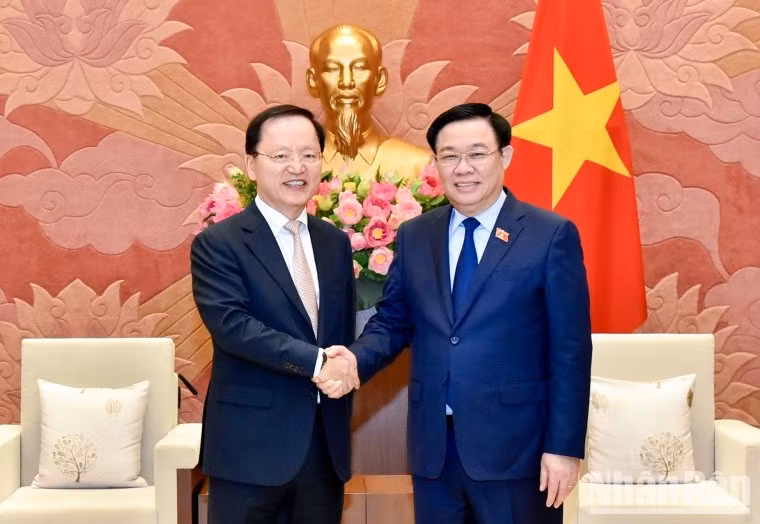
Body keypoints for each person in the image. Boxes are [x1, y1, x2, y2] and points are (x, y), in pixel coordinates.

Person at [317, 103, 592, 523]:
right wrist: (354, 359)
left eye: (477, 154)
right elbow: (393, 321)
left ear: (505, 156)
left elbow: (571, 351)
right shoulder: (416, 235)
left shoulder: (549, 235)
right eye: (449, 156)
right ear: (435, 164)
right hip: (434, 450)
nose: (463, 168)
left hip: (517, 450)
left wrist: (564, 448)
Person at [191, 104, 359, 524]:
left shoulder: (335, 243)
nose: (296, 167)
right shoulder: (219, 243)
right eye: (281, 155)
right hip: (249, 449)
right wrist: (319, 362)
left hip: (323, 447)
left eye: (308, 155)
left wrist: (347, 365)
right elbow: (233, 327)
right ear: (252, 165)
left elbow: (340, 331)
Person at [307, 24, 431, 180]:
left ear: (380, 80)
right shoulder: (295, 168)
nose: (346, 82)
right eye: (332, 69)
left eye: (359, 68)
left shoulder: (418, 165)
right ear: (313, 81)